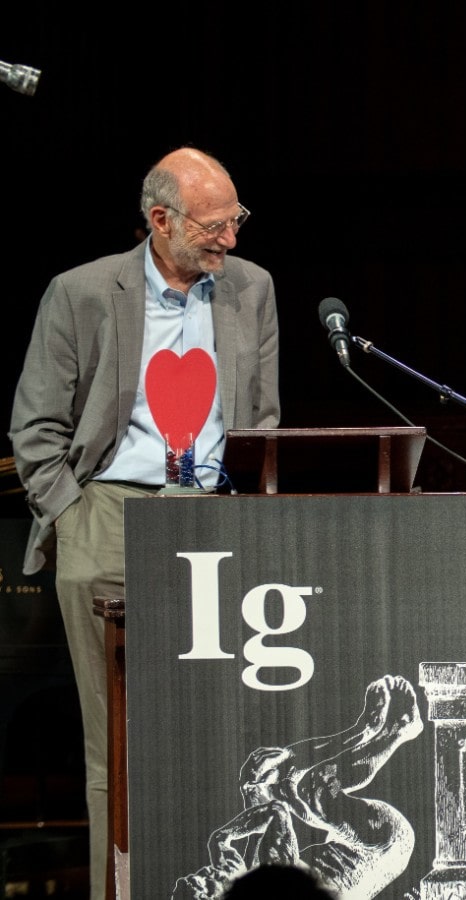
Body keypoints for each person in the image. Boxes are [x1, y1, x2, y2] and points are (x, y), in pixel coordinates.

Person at [9, 147, 281, 898]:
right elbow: (35, 430)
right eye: (215, 223)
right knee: (117, 746)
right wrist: (72, 517)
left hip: (218, 522)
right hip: (108, 515)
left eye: (237, 219)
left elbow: (262, 422)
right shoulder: (82, 292)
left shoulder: (251, 289)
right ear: (160, 221)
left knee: (226, 735)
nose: (231, 237)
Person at [172, 674, 423, 900]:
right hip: (383, 842)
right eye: (205, 881)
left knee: (267, 778)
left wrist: (252, 795)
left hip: (350, 847)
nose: (205, 871)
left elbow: (254, 842)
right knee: (315, 789)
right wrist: (223, 835)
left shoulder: (240, 882)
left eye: (197, 875)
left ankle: (362, 730)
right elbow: (276, 812)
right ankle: (397, 730)